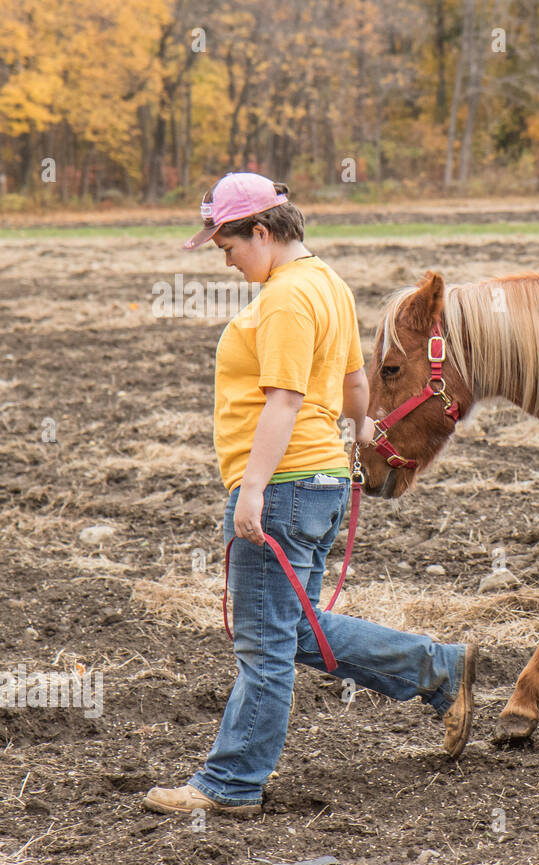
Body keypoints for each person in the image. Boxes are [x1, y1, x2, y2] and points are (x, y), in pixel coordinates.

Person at [143, 172, 476, 816]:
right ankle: (438, 670)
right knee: (293, 630)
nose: (231, 262)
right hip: (316, 484)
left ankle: (230, 784)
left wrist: (252, 491)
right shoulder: (329, 284)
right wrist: (352, 442)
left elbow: (286, 401)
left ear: (262, 233)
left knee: (264, 647)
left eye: (229, 248)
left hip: (284, 487)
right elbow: (354, 387)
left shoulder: (289, 298)